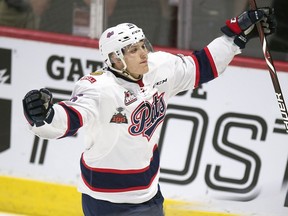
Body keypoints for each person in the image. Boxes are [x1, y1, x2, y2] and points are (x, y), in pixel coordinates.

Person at [22, 7, 276, 216]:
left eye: (143, 45)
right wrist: (42, 116)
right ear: (115, 58)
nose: (144, 53)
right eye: (133, 50)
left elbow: (202, 65)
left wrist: (234, 38)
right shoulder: (99, 88)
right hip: (106, 200)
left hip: (149, 191)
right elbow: (70, 118)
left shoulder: (159, 67)